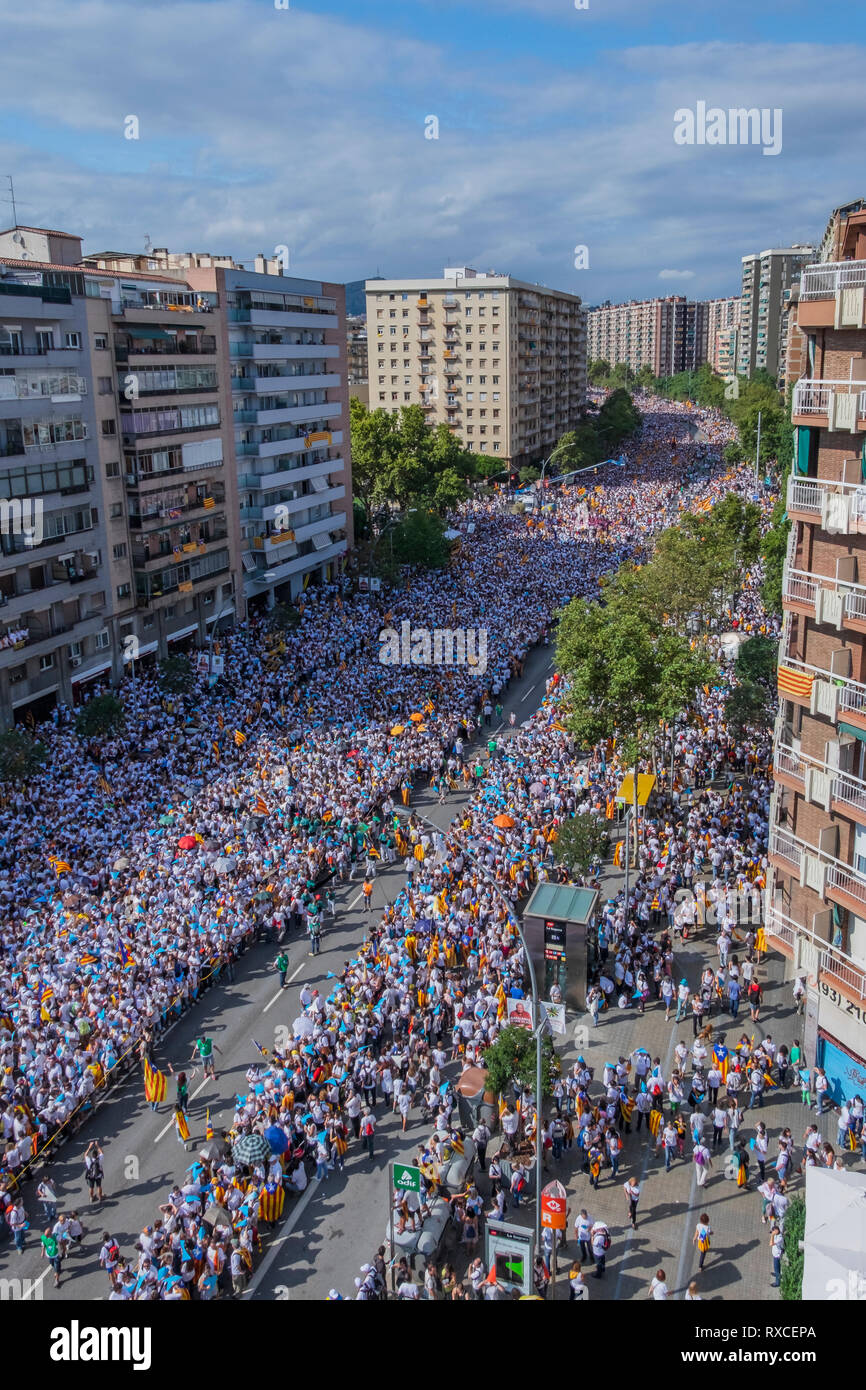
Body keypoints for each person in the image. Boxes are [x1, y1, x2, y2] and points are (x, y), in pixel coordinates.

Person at [769, 1223, 783, 1288]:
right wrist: (773, 1233)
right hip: (775, 1254)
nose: (773, 1232)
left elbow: (771, 1244)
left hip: (777, 1255)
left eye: (774, 1231)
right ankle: (778, 1274)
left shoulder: (779, 1238)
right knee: (777, 1267)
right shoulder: (776, 1234)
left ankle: (777, 1282)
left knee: (776, 1268)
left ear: (777, 1230)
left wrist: (772, 1235)